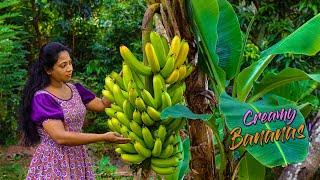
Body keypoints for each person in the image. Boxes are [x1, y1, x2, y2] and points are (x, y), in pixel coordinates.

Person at [18, 42, 130, 179]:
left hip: (77, 157)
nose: (69, 69)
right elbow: (60, 137)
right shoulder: (43, 98)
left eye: (70, 63)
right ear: (48, 70)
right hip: (55, 161)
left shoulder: (75, 89)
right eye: (63, 65)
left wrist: (119, 78)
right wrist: (103, 137)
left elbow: (101, 104)